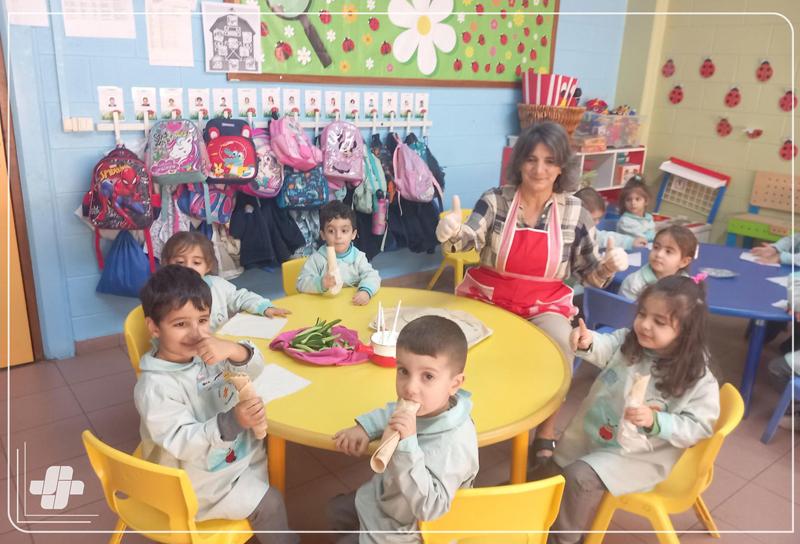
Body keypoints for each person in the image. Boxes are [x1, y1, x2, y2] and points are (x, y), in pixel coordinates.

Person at [435, 121, 629, 469]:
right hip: (488, 295)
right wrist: (450, 234)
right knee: (456, 346)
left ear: (562, 166)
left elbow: (590, 275)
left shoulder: (575, 212)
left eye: (550, 161)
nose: (539, 170)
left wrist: (609, 266)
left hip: (544, 304)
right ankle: (459, 421)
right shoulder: (495, 199)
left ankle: (545, 430)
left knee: (562, 346)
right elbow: (468, 239)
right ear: (520, 161)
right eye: (531, 159)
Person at [534, 275, 720, 544]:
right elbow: (605, 345)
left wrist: (657, 420)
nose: (644, 325)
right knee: (555, 468)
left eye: (659, 322)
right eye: (642, 314)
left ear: (687, 331)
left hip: (639, 456)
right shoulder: (629, 341)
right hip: (594, 432)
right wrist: (587, 341)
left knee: (578, 477)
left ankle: (565, 539)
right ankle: (531, 512)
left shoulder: (698, 379)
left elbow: (699, 427)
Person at [133, 265, 298, 543]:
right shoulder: (155, 388)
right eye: (180, 324)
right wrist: (232, 422)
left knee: (274, 453)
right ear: (154, 327)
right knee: (271, 503)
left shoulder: (203, 352)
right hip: (195, 482)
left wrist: (234, 350)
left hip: (228, 458)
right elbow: (183, 440)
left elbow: (255, 369)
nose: (196, 333)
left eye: (202, 320)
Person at [328, 316, 479, 544]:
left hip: (409, 530)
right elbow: (392, 411)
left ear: (454, 384)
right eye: (403, 371)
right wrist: (366, 427)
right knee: (334, 510)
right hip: (384, 500)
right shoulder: (427, 405)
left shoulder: (455, 444)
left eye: (428, 376)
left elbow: (431, 508)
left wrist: (407, 446)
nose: (410, 388)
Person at [161, 231, 290, 331]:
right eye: (180, 262)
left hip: (221, 346)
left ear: (208, 266)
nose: (188, 267)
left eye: (196, 262)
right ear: (166, 263)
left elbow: (240, 297)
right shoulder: (163, 294)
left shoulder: (217, 285)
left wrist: (263, 307)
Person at [296, 201, 380, 305]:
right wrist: (321, 283)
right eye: (331, 231)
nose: (338, 236)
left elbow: (373, 276)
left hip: (352, 306)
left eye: (344, 231)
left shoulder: (358, 258)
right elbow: (301, 283)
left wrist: (366, 291)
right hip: (324, 307)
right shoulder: (317, 259)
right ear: (323, 235)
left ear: (353, 234)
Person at [619, 225, 698, 300]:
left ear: (684, 262)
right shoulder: (634, 283)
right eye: (656, 247)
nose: (659, 254)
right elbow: (624, 308)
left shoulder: (686, 284)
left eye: (668, 251)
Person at [574, 187, 647, 250]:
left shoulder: (590, 231)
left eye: (598, 218)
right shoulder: (571, 235)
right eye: (593, 219)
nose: (597, 222)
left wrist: (630, 242)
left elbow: (604, 237)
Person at [616, 176, 656, 241]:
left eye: (637, 199)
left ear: (646, 201)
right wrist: (655, 235)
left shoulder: (648, 218)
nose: (633, 203)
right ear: (624, 202)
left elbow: (652, 231)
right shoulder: (625, 221)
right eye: (628, 200)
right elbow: (642, 238)